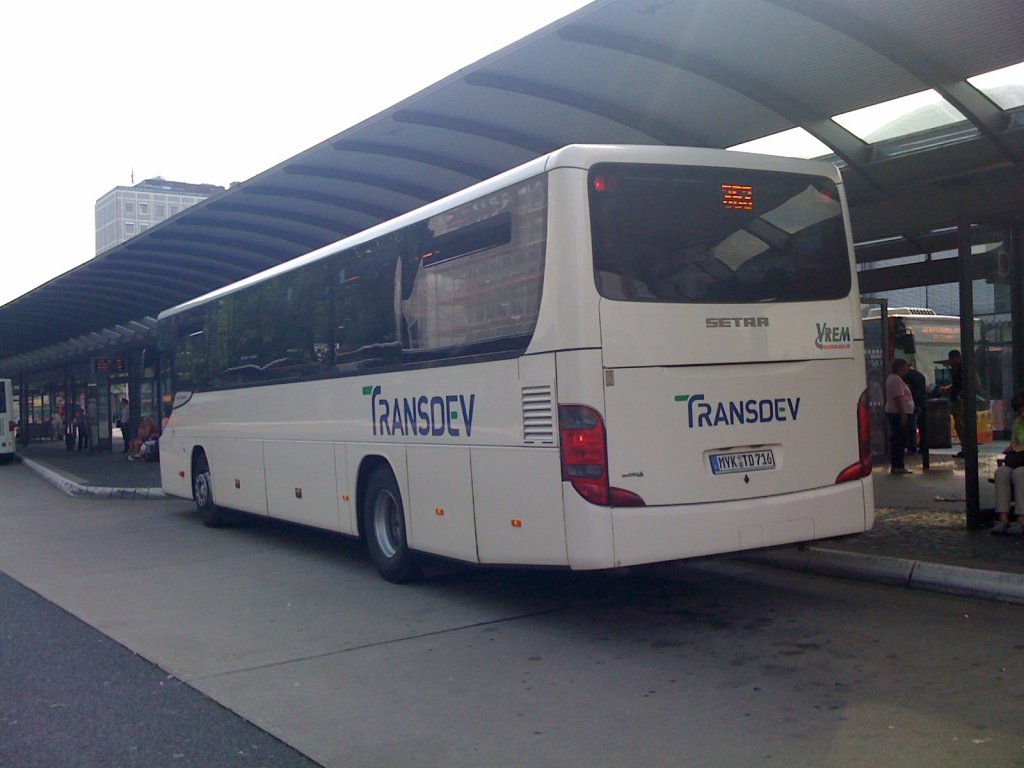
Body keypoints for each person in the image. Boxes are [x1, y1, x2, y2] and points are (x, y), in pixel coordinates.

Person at [992, 391, 1024, 535]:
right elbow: (1014, 441)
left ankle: (1021, 518)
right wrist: (1011, 448)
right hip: (1019, 459)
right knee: (1002, 472)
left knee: (1019, 474)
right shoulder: (1018, 422)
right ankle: (1003, 517)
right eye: (1019, 411)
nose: (1021, 414)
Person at [885, 358, 914, 474]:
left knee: (898, 438)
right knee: (900, 439)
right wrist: (903, 415)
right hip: (897, 413)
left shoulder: (892, 378)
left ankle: (897, 465)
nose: (907, 369)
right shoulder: (896, 379)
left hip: (894, 412)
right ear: (900, 367)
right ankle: (898, 465)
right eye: (905, 366)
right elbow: (898, 398)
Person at [903, 363, 927, 454]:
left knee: (911, 427)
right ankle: (923, 447)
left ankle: (912, 448)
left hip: (911, 404)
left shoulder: (906, 376)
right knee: (922, 427)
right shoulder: (920, 376)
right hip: (921, 403)